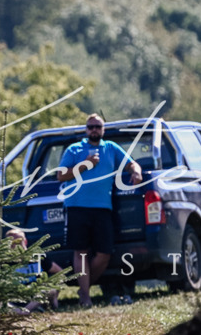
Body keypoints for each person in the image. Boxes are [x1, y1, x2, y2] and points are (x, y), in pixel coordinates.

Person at [57, 114, 141, 307]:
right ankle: (85, 297)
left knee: (104, 254)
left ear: (103, 129)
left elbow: (131, 162)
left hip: (102, 207)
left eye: (97, 126)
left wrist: (136, 171)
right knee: (81, 252)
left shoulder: (110, 148)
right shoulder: (74, 149)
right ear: (86, 130)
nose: (94, 130)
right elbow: (61, 176)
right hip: (77, 206)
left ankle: (82, 287)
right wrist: (84, 164)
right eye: (90, 127)